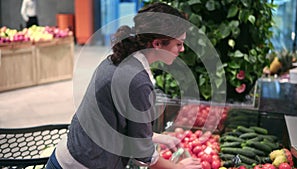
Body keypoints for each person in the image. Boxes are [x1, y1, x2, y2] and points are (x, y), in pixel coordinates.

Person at [46, 2, 201, 169]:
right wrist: (179, 167)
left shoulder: (119, 59)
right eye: (178, 44)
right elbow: (143, 155)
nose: (182, 49)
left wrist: (155, 137)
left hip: (68, 155)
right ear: (157, 44)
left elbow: (112, 123)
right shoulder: (137, 81)